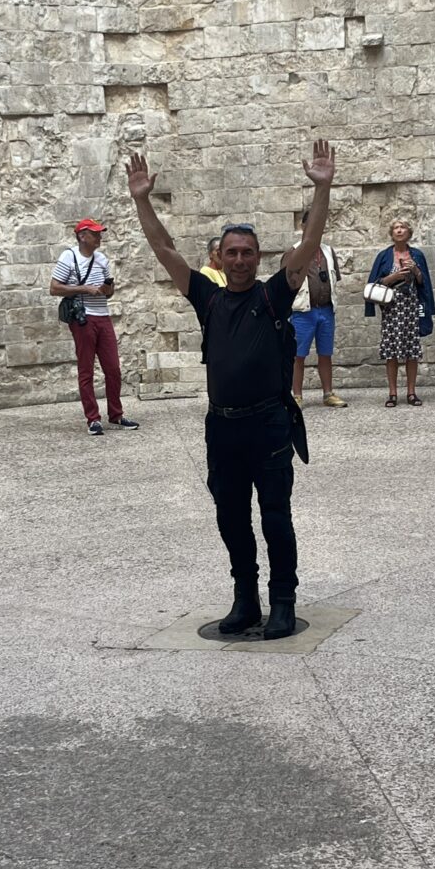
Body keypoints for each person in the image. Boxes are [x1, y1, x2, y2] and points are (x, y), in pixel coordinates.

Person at [126, 140, 336, 640]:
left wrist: (322, 189)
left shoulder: (274, 294)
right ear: (219, 258)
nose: (240, 260)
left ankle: (282, 601)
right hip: (222, 428)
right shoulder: (207, 297)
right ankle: (245, 598)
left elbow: (309, 243)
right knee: (231, 519)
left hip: (268, 425)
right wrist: (141, 200)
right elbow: (164, 250)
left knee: (275, 517)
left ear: (259, 257)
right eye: (232, 253)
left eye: (248, 253)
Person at [50, 218, 139, 435]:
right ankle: (93, 419)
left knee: (113, 369)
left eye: (100, 233)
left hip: (103, 316)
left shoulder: (102, 259)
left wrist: (107, 289)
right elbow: (54, 288)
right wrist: (84, 288)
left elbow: (110, 292)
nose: (99, 237)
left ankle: (116, 415)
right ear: (82, 236)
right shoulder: (69, 257)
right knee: (86, 369)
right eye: (95, 233)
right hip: (83, 318)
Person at [365, 219, 435, 407]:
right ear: (391, 233)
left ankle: (411, 393)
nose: (399, 230)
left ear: (408, 232)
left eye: (402, 227)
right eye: (395, 228)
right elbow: (374, 283)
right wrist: (394, 277)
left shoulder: (417, 255)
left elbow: (423, 282)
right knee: (391, 351)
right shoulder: (384, 256)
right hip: (391, 309)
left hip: (411, 308)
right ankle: (393, 393)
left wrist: (416, 270)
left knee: (412, 351)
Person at [287, 209, 347, 408]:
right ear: (303, 226)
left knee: (326, 353)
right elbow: (285, 283)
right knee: (298, 355)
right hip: (303, 311)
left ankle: (328, 393)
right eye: (311, 224)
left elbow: (334, 278)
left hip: (326, 309)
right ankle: (296, 395)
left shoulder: (328, 252)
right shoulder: (293, 252)